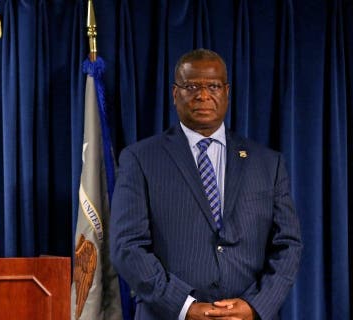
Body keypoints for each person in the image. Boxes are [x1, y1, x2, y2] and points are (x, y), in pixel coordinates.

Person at [109, 49, 302, 320]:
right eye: (191, 86)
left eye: (212, 86)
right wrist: (185, 307)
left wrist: (254, 306)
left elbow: (288, 245)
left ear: (226, 92)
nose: (203, 95)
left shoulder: (268, 163)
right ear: (175, 94)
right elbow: (126, 246)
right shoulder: (140, 159)